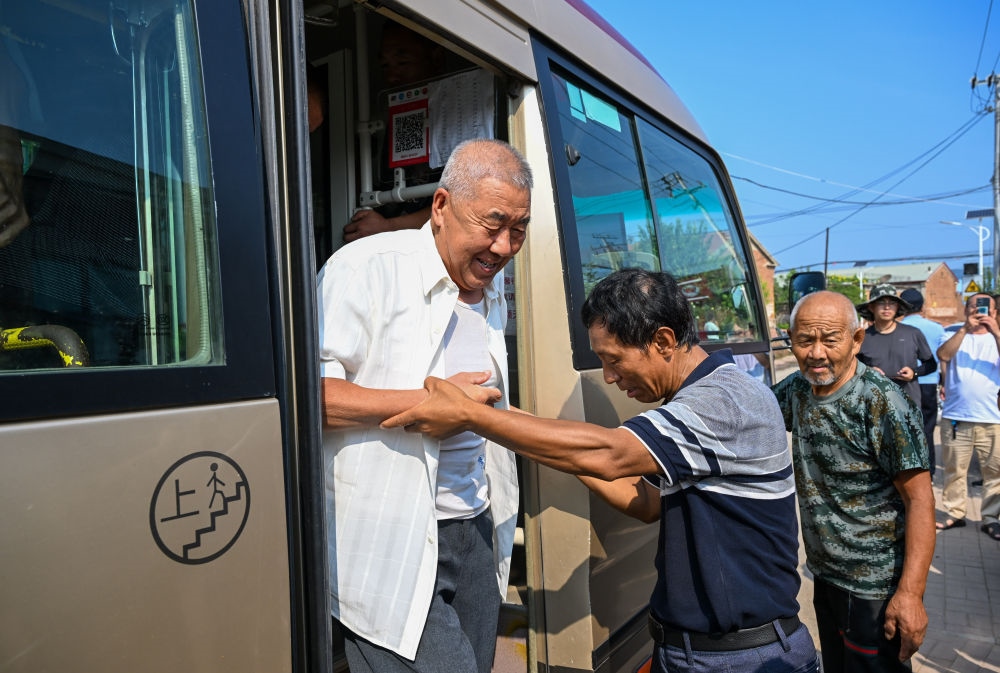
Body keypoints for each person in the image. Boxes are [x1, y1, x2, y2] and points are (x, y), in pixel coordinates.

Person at [384, 268, 819, 673]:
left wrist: (470, 416)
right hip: (691, 652)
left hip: (741, 658)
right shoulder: (703, 397)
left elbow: (610, 455)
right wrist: (515, 423)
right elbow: (646, 502)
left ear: (663, 341)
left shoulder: (723, 401)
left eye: (614, 360)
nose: (609, 377)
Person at [318, 138, 531, 672]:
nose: (504, 246)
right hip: (390, 537)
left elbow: (482, 409)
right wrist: (426, 404)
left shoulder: (489, 288)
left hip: (474, 525)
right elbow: (310, 398)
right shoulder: (365, 268)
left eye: (519, 229)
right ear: (441, 207)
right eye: (493, 224)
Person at [772, 291, 935, 672]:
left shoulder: (883, 402)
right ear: (790, 340)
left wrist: (911, 594)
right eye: (804, 340)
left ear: (856, 339)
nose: (816, 353)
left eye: (830, 340)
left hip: (875, 587)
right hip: (825, 575)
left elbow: (920, 500)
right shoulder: (797, 389)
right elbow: (746, 416)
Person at [342, 21, 446, 243]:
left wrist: (387, 227)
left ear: (436, 58)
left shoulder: (457, 119)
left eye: (402, 62)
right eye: (385, 66)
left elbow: (461, 205)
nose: (391, 77)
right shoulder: (381, 123)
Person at [934, 292, 1000, 540]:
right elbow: (943, 355)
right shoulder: (954, 335)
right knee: (954, 469)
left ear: (994, 312)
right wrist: (964, 328)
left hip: (993, 418)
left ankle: (991, 518)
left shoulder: (996, 338)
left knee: (994, 473)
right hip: (957, 416)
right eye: (973, 306)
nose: (978, 311)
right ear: (965, 309)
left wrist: (995, 331)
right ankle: (955, 512)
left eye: (984, 307)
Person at [855, 284, 936, 408]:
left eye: (892, 303)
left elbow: (931, 364)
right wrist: (867, 372)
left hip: (907, 407)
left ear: (897, 306)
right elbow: (849, 369)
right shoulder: (861, 338)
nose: (887, 307)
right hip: (873, 407)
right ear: (871, 307)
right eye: (881, 302)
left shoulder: (912, 333)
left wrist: (914, 373)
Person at [899, 288, 946, 476]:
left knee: (904, 429)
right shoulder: (937, 328)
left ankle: (907, 469)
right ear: (923, 306)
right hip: (928, 382)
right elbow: (943, 359)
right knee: (927, 429)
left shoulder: (897, 329)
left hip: (903, 383)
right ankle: (929, 471)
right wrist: (944, 383)